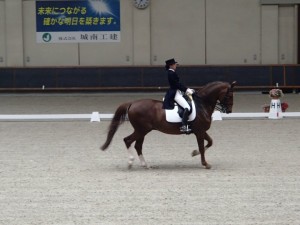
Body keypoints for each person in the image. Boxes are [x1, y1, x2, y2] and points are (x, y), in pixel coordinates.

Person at [162, 58, 194, 133]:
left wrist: (187, 89)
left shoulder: (172, 72)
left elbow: (178, 84)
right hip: (175, 93)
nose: (176, 66)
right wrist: (186, 90)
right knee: (187, 107)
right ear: (171, 65)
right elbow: (177, 84)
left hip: (177, 91)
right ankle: (183, 126)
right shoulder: (171, 73)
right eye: (175, 64)